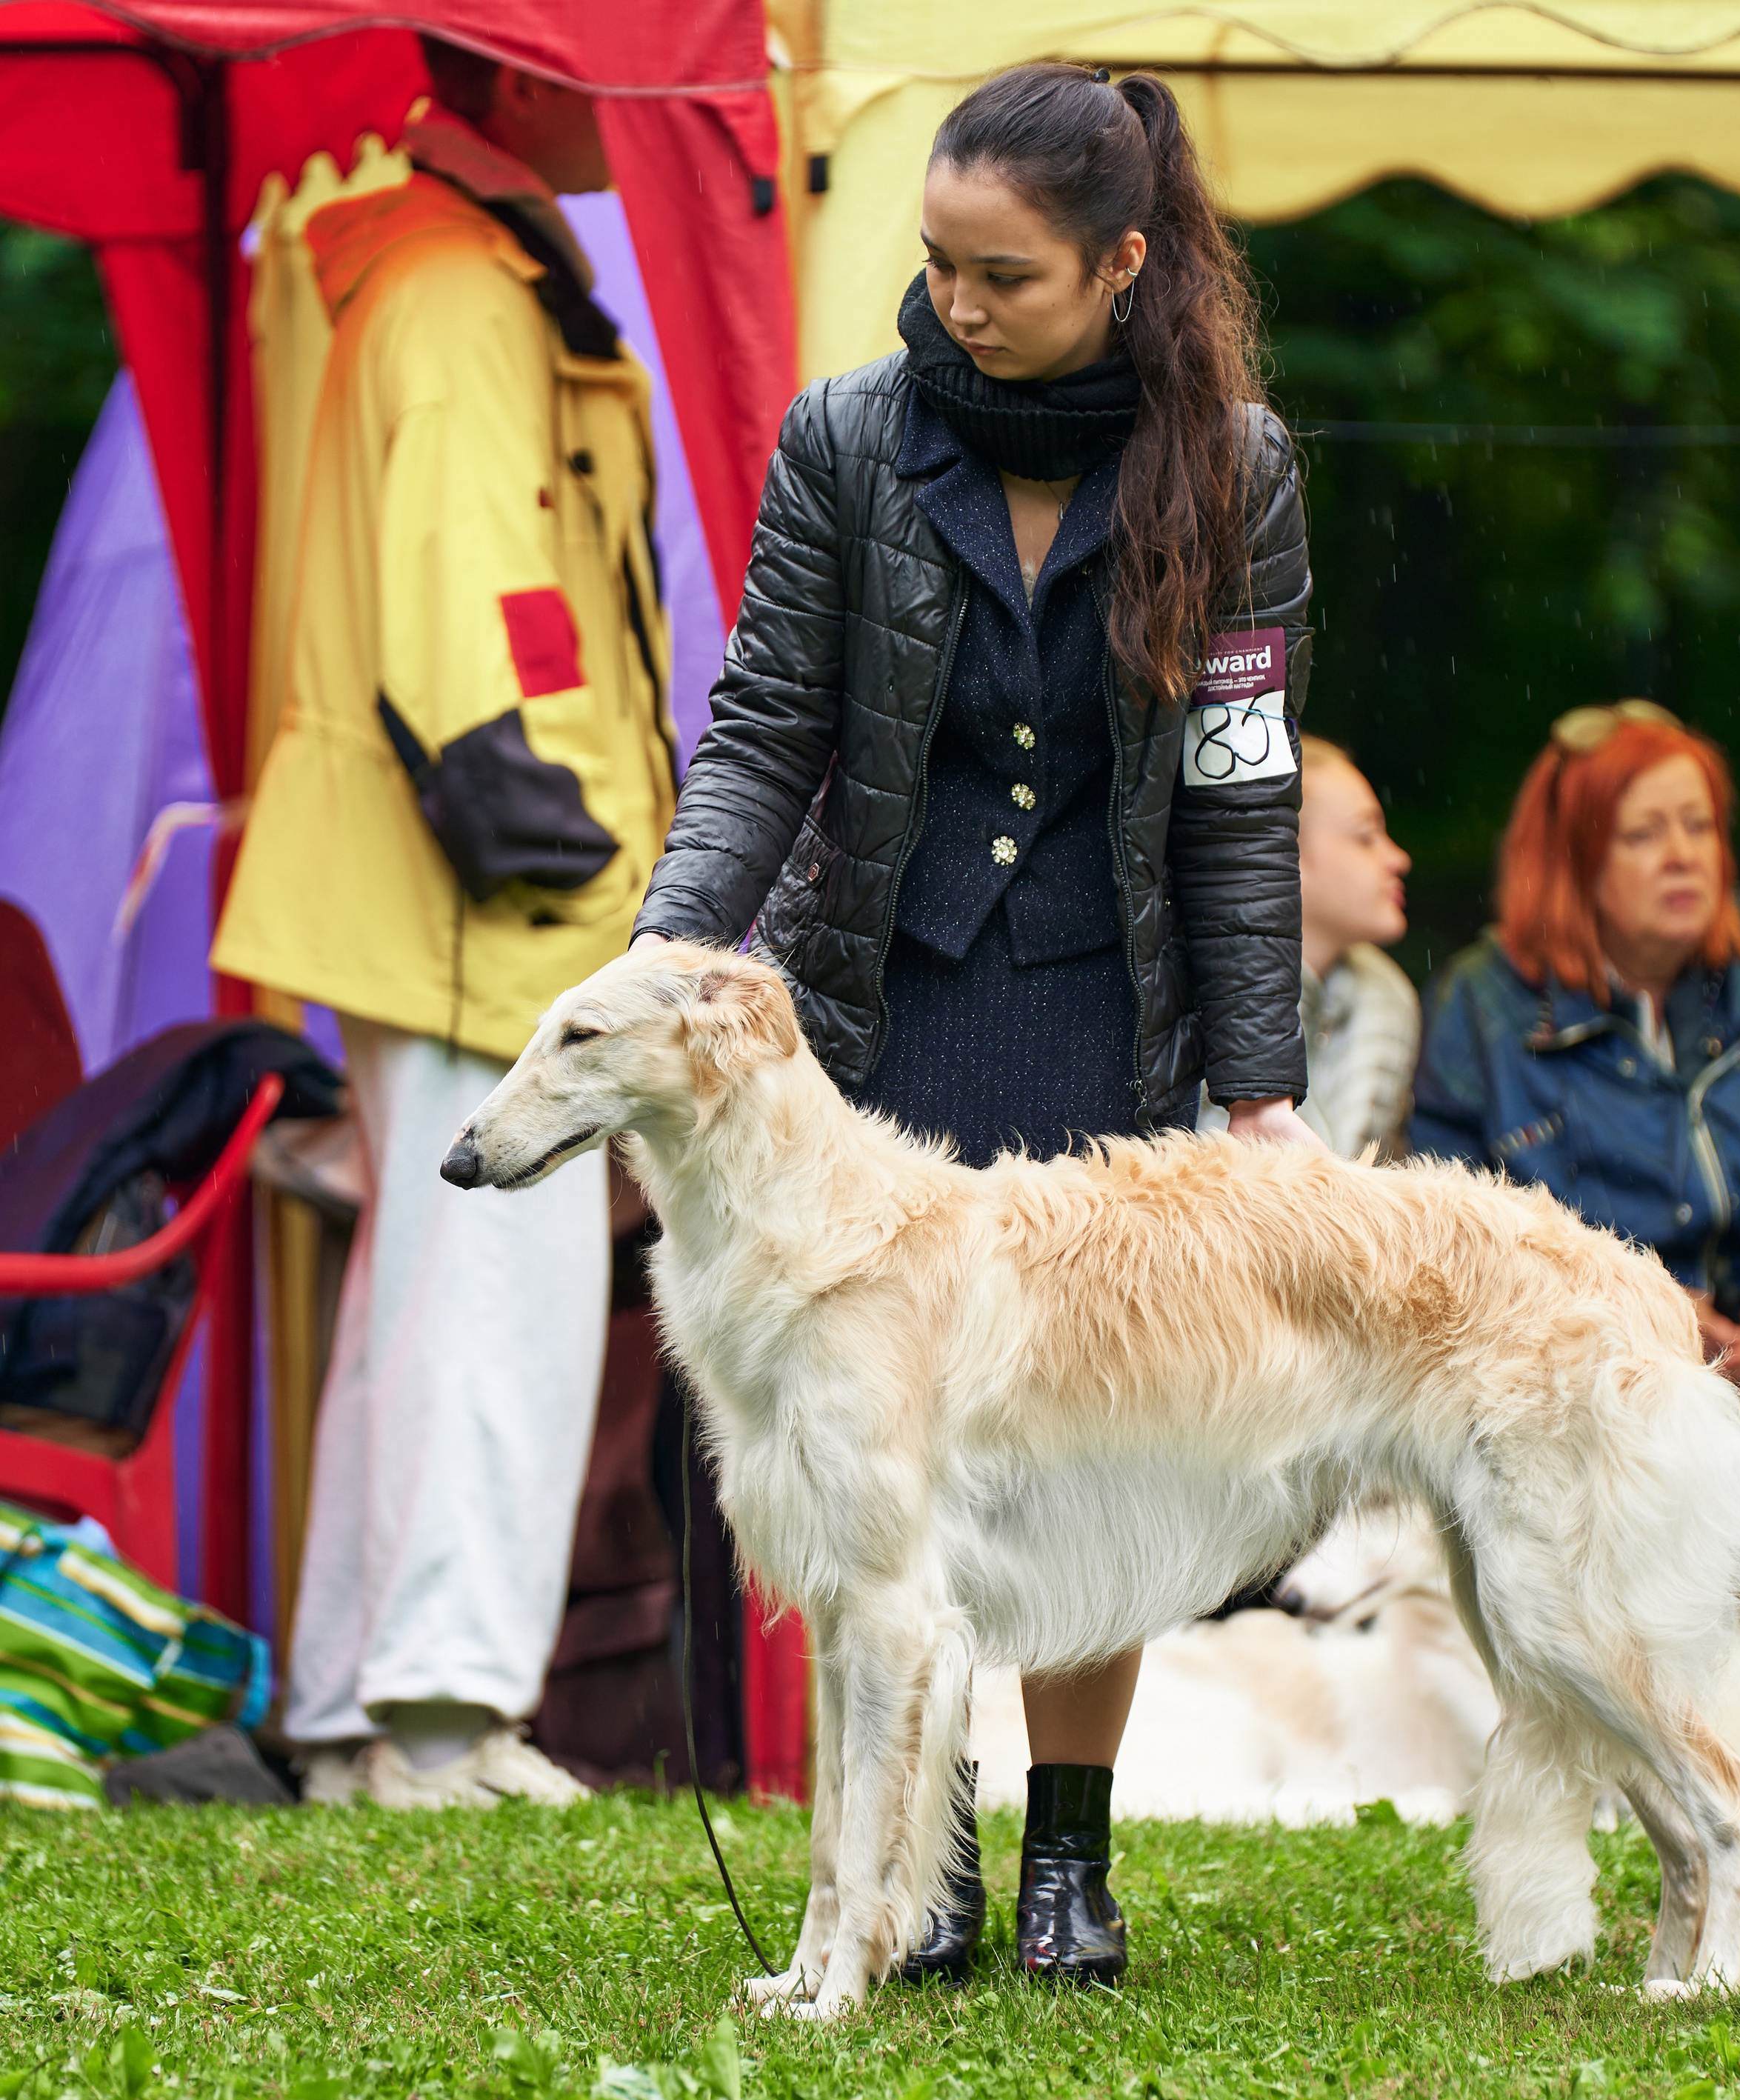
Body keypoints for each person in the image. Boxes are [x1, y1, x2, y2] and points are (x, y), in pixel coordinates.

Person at [633, 62, 1316, 1981]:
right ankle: (913, 1872)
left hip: (1118, 1020)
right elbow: (766, 732)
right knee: (888, 1462)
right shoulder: (846, 443)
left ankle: (1068, 1868)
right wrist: (678, 956)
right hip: (885, 1018)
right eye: (937, 264)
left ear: (1122, 264)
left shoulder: (1236, 468)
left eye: (1002, 272)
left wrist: (1257, 1092)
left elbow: (1245, 792)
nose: (957, 302)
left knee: (1087, 1442)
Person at [213, 42, 676, 1807]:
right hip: (493, 868)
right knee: (502, 1286)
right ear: (536, 81)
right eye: (613, 67)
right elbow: (484, 590)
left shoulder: (429, 263)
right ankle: (435, 1717)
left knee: (435, 1286)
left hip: (460, 860)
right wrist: (540, 823)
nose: (642, 101)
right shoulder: (458, 287)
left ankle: (369, 1707)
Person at [1412, 700, 1740, 1647]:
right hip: (1585, 1373)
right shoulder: (1481, 1011)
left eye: (1699, 825)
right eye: (1643, 832)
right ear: (1575, 859)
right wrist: (1646, 1304)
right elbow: (1450, 1234)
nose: (1683, 855)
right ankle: (1628, 1688)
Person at [1204, 736, 1416, 1159]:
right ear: (1282, 849)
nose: (1398, 858)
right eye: (1366, 835)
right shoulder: (1199, 993)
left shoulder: (1387, 998)